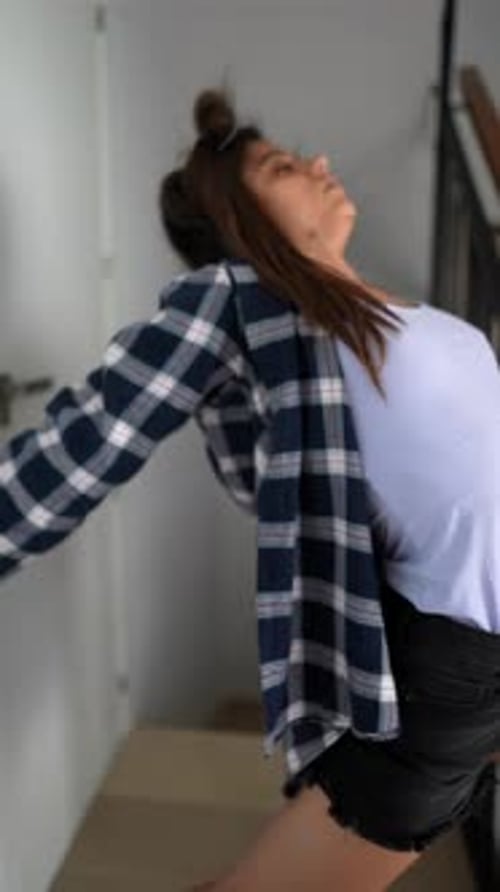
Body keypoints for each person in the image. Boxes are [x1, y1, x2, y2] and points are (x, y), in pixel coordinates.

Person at [2, 83, 500, 892]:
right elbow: (89, 444)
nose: (321, 165)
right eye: (282, 165)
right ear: (238, 217)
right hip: (447, 672)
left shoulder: (386, 312)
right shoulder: (238, 304)